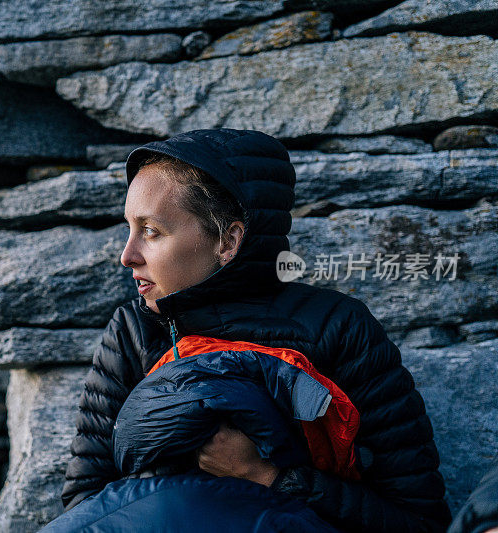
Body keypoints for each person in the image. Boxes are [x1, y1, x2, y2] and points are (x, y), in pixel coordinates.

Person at [60, 129, 451, 532]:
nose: (127, 256)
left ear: (228, 240)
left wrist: (264, 477)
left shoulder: (340, 328)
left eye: (152, 231)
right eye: (129, 228)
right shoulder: (134, 330)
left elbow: (418, 521)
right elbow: (84, 508)